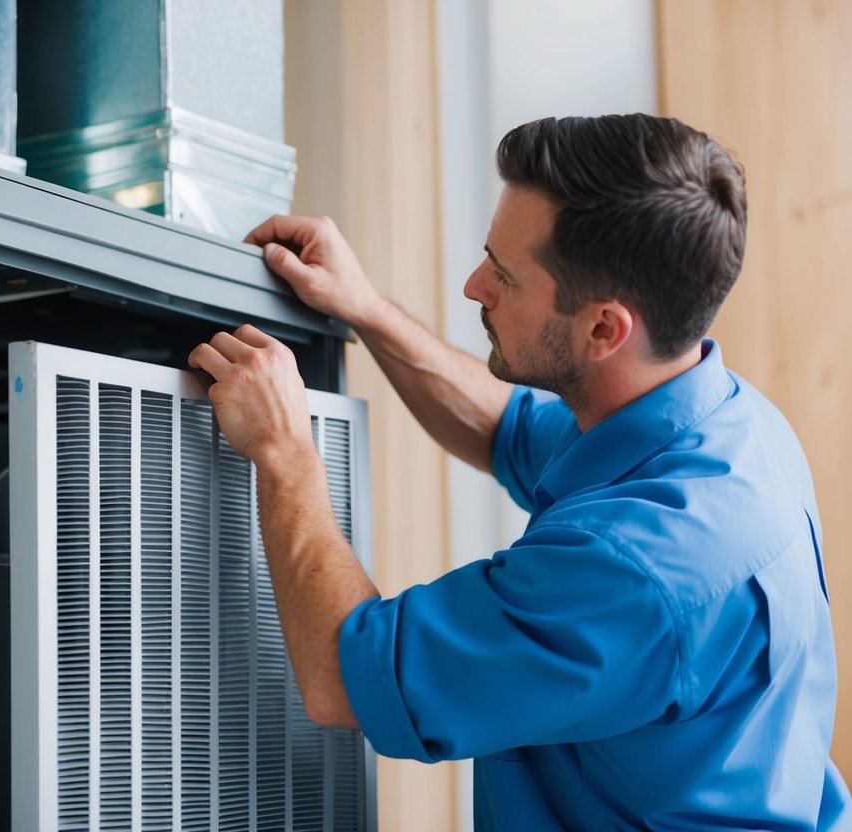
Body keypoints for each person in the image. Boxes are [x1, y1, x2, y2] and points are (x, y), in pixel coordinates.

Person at [188, 114, 851, 830]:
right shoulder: (721, 422)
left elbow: (338, 680)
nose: (475, 286)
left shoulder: (632, 568)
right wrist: (367, 311)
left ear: (603, 329)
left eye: (502, 276)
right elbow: (503, 426)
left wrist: (285, 450)